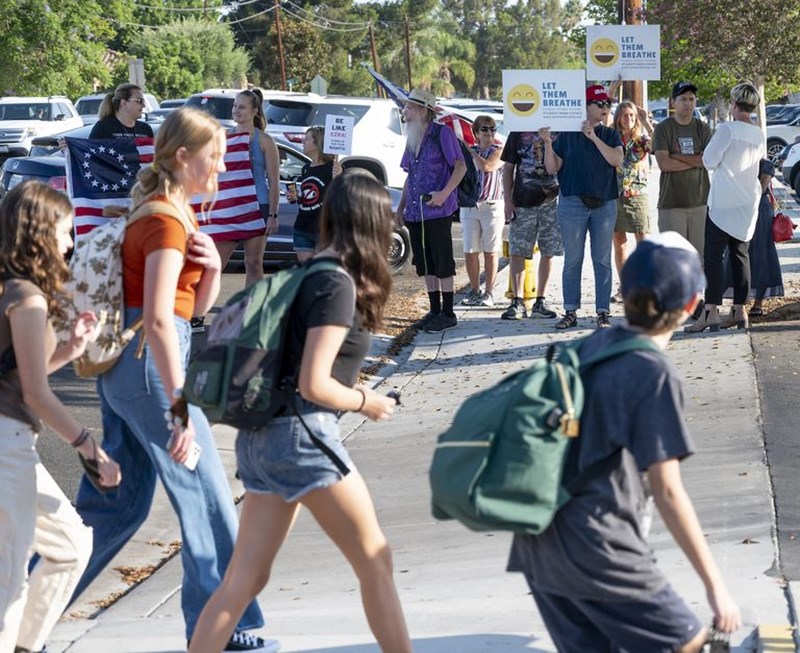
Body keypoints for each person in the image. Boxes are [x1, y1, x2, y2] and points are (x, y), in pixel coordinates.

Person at [72, 108, 276, 653]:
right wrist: (181, 404)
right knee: (207, 496)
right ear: (183, 157)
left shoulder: (169, 213)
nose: (223, 164)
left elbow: (191, 309)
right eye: (215, 155)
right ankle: (225, 629)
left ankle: (20, 611)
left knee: (116, 506)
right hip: (151, 367)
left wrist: (210, 269)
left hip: (134, 369)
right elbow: (160, 318)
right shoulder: (163, 219)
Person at [188, 171, 412, 653]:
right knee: (376, 560)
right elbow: (315, 382)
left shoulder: (308, 273)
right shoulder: (336, 285)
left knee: (243, 579)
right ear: (371, 223)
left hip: (259, 441)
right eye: (387, 214)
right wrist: (366, 402)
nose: (394, 220)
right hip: (301, 437)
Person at [507, 231, 742, 652]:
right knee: (690, 645)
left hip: (538, 545)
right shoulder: (652, 371)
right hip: (599, 545)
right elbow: (667, 490)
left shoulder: (587, 347)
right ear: (690, 305)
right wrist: (715, 585)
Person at [0, 181, 121, 653]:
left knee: (70, 546)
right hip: (8, 443)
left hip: (14, 441)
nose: (70, 243)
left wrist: (68, 349)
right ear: (39, 232)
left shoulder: (13, 288)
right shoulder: (26, 297)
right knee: (10, 578)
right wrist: (89, 448)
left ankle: (27, 646)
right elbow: (34, 391)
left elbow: (17, 376)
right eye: (65, 232)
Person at [542, 84, 623, 330]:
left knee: (602, 260)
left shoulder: (610, 134)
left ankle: (603, 312)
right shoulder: (566, 134)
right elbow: (552, 167)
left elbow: (616, 159)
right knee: (573, 260)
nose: (605, 108)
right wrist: (547, 143)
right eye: (599, 104)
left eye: (607, 104)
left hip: (604, 204)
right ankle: (570, 311)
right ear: (585, 107)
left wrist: (594, 138)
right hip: (572, 202)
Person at [686, 82, 764, 333]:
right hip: (747, 201)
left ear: (734, 104)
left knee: (714, 257)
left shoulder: (727, 129)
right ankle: (740, 311)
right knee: (741, 256)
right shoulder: (758, 133)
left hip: (723, 203)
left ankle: (710, 312)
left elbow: (709, 161)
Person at [394, 87, 466, 334]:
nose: (405, 111)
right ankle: (434, 310)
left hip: (438, 211)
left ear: (424, 111)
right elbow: (409, 176)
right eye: (406, 107)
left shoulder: (442, 134)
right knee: (426, 263)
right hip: (416, 213)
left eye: (410, 107)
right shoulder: (412, 136)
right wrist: (400, 209)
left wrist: (444, 193)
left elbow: (460, 167)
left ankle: (448, 313)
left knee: (443, 262)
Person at [212, 89, 281, 288]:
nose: (236, 110)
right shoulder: (224, 137)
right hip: (231, 206)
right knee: (216, 263)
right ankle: (197, 313)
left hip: (258, 205)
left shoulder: (264, 140)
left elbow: (274, 180)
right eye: (234, 106)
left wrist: (273, 214)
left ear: (254, 111)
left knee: (253, 263)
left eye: (241, 107)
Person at [500, 129, 562, 320]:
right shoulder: (517, 132)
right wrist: (508, 201)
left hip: (552, 201)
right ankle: (517, 302)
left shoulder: (560, 130)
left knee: (548, 251)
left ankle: (540, 301)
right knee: (518, 251)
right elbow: (508, 169)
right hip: (523, 201)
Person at [652, 81, 713, 259]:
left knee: (698, 259)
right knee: (673, 260)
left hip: (700, 203)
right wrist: (696, 159)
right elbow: (665, 164)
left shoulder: (703, 128)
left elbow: (708, 161)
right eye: (683, 99)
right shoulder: (663, 128)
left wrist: (676, 155)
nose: (688, 103)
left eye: (691, 99)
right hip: (671, 205)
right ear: (673, 102)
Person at [459, 115, 505, 307]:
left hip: (492, 205)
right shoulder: (468, 152)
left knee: (491, 251)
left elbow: (488, 166)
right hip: (470, 205)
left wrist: (470, 153)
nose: (489, 133)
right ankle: (475, 290)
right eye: (484, 129)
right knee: (470, 250)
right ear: (476, 132)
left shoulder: (500, 150)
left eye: (492, 129)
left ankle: (489, 292)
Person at [612, 100, 654, 299]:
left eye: (631, 115)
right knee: (619, 241)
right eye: (624, 115)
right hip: (615, 195)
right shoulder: (612, 137)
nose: (628, 119)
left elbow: (659, 144)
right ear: (618, 117)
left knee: (643, 240)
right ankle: (624, 286)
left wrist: (646, 122)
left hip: (638, 195)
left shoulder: (642, 139)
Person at [287, 125, 341, 262]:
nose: (303, 142)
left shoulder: (333, 168)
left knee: (321, 274)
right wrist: (296, 197)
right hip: (302, 227)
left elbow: (341, 197)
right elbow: (307, 197)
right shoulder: (305, 168)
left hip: (324, 229)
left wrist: (339, 178)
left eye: (307, 139)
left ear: (318, 143)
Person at [745, 160, 784, 316]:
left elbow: (761, 188)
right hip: (742, 208)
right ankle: (741, 302)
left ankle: (758, 302)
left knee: (761, 254)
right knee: (740, 254)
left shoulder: (764, 164)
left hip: (759, 210)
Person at [89, 83, 154, 139]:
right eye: (139, 101)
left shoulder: (145, 129)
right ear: (124, 102)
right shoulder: (103, 128)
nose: (143, 105)